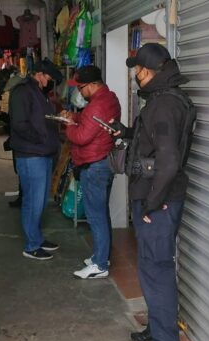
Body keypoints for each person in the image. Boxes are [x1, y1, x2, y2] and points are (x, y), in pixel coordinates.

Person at [108, 43, 193, 341]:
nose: (135, 75)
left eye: (137, 70)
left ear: (149, 71)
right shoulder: (160, 100)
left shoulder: (165, 105)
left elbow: (169, 161)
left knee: (157, 272)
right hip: (156, 198)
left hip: (159, 201)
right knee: (150, 268)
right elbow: (155, 144)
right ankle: (157, 330)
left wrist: (153, 204)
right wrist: (127, 133)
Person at [60, 65, 121, 279]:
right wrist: (75, 118)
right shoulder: (106, 99)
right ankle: (101, 254)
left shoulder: (98, 105)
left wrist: (69, 125)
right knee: (101, 213)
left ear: (93, 85)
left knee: (96, 216)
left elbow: (81, 137)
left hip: (94, 165)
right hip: (102, 163)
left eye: (81, 87)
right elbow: (91, 124)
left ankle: (100, 264)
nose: (79, 91)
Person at [9, 59, 62, 260]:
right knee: (33, 201)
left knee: (40, 202)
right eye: (48, 78)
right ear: (39, 74)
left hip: (43, 153)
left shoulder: (39, 93)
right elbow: (20, 124)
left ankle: (37, 238)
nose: (49, 82)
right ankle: (31, 246)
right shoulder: (22, 91)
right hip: (31, 155)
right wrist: (41, 138)